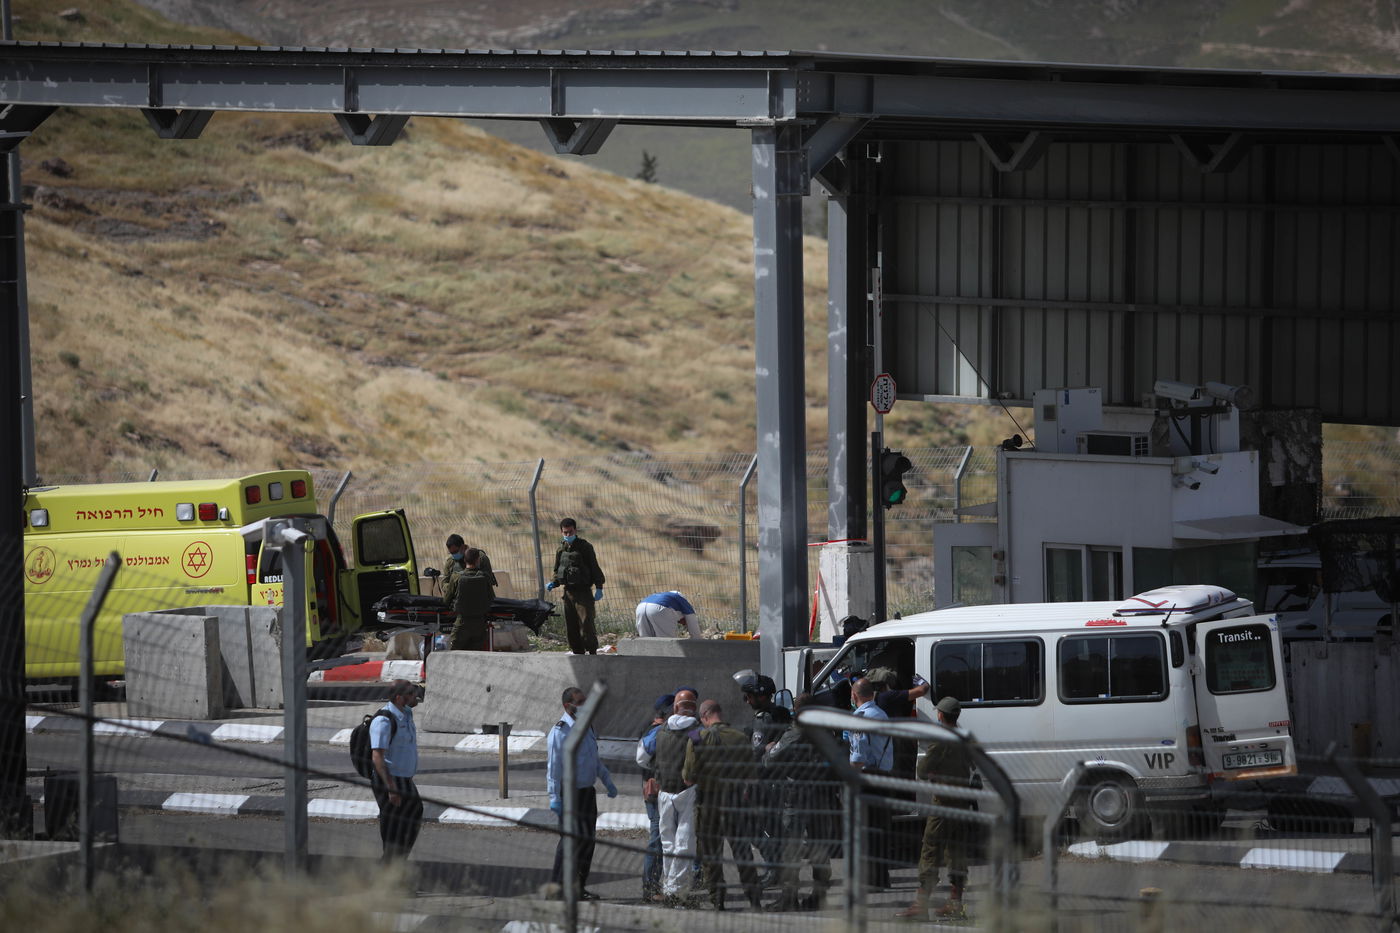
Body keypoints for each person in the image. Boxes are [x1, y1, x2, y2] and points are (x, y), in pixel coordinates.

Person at [896, 696, 976, 921]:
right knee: (957, 852)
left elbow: (922, 770)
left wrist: (935, 775)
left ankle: (920, 906)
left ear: (940, 715)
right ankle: (956, 904)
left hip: (942, 803)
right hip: (962, 801)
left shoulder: (940, 739)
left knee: (930, 850)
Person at [683, 699, 763, 910]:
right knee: (742, 852)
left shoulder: (696, 738)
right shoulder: (740, 737)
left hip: (708, 804)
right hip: (734, 802)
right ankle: (754, 898)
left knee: (711, 855)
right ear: (719, 713)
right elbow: (752, 777)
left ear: (704, 717)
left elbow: (688, 778)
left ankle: (717, 899)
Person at [763, 693, 839, 911]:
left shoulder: (796, 732)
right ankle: (820, 895)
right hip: (822, 795)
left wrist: (769, 750)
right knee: (819, 848)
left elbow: (771, 760)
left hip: (797, 796)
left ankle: (789, 899)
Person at [547, 686, 619, 901]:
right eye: (580, 702)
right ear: (567, 706)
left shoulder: (587, 727)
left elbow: (593, 760)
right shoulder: (559, 732)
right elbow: (553, 769)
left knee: (588, 842)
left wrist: (607, 781)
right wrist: (554, 798)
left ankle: (578, 887)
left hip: (587, 793)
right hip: (569, 795)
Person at [637, 688, 703, 907]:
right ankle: (677, 892)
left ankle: (668, 888)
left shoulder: (660, 730)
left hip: (664, 792)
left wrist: (655, 772)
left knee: (667, 843)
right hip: (688, 793)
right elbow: (702, 753)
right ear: (693, 708)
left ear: (674, 708)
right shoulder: (694, 730)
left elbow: (642, 757)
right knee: (684, 844)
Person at [735, 670, 791, 884]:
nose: (746, 700)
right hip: (777, 780)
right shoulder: (781, 713)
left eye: (749, 696)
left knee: (753, 827)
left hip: (763, 781)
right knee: (773, 828)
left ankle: (774, 869)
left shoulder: (763, 718)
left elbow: (756, 751)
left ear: (761, 696)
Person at [847, 677, 893, 889]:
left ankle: (869, 880)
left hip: (866, 779)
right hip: (884, 778)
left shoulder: (860, 718)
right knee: (881, 831)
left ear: (854, 695)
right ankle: (882, 878)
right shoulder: (881, 714)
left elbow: (858, 757)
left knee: (864, 830)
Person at [370, 679, 422, 861]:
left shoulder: (406, 713)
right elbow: (377, 757)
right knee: (393, 830)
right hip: (389, 781)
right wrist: (391, 787)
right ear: (400, 698)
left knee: (413, 816)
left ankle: (396, 865)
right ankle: (387, 873)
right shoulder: (383, 721)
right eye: (411, 693)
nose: (416, 695)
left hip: (405, 780)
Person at [546, 518, 606, 655]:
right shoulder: (561, 549)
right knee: (571, 626)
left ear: (575, 530)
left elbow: (594, 567)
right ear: (561, 532)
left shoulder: (585, 547)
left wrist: (599, 587)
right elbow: (557, 569)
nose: (568, 535)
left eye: (570, 532)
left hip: (583, 592)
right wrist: (553, 582)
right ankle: (577, 652)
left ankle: (592, 651)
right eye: (565, 532)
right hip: (568, 593)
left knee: (586, 624)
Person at [637, 693, 674, 902]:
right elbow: (643, 759)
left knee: (660, 838)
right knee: (657, 839)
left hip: (656, 790)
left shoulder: (651, 728)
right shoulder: (656, 731)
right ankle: (650, 887)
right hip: (655, 791)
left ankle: (654, 885)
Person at [449, 547, 494, 651]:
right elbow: (491, 598)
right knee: (475, 657)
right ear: (478, 560)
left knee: (454, 657)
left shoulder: (456, 577)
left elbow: (447, 599)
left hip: (461, 624)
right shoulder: (485, 577)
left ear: (464, 560)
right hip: (480, 626)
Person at [441, 533, 497, 605]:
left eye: (455, 552)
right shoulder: (451, 562)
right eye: (451, 553)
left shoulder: (480, 558)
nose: (454, 555)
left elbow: (488, 580)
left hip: (482, 602)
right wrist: (453, 587)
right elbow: (444, 582)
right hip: (460, 603)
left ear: (463, 547)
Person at [635, 590, 703, 639]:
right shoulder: (681, 600)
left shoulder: (662, 595)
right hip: (659, 609)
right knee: (665, 642)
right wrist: (697, 640)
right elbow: (692, 621)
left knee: (645, 640)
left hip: (640, 607)